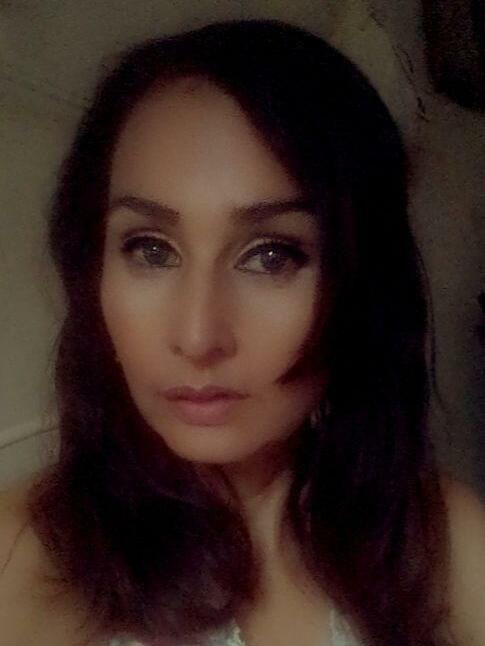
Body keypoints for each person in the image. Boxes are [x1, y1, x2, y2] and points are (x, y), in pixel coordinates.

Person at [0, 18, 484, 646]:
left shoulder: (446, 548)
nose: (197, 336)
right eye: (150, 249)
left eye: (272, 256)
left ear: (361, 282)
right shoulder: (22, 554)